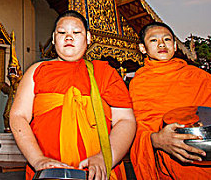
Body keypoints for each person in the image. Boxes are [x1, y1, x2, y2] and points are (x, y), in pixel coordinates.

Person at [10, 10, 136, 180]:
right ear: (54, 39)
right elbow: (18, 116)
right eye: (62, 33)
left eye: (76, 32)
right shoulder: (37, 71)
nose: (68, 37)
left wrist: (105, 158)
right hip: (47, 170)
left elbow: (125, 120)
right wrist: (38, 159)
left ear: (88, 38)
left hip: (99, 171)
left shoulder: (105, 73)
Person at [129, 22, 211, 179]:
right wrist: (156, 140)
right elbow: (136, 130)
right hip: (175, 166)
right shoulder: (139, 85)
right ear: (143, 48)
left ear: (175, 45)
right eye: (153, 40)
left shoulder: (201, 77)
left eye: (167, 39)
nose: (161, 44)